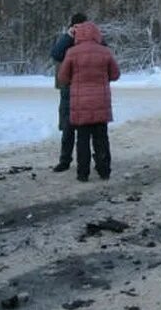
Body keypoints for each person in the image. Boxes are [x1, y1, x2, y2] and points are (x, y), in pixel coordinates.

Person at [58, 21, 120, 182]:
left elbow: (63, 77)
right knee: (101, 137)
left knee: (82, 139)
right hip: (100, 102)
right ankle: (104, 170)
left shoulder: (72, 52)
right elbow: (115, 74)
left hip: (80, 104)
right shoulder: (105, 52)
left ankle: (82, 173)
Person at [50, 12, 87, 173]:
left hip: (82, 88)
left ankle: (74, 161)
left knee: (81, 129)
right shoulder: (66, 40)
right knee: (68, 126)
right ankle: (66, 159)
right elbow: (56, 54)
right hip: (69, 88)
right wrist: (68, 37)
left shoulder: (90, 39)